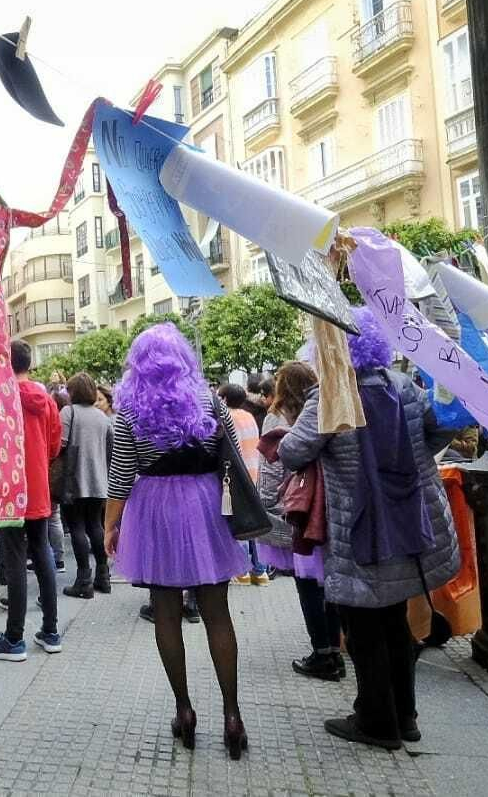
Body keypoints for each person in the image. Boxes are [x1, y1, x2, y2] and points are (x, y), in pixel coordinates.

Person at [275, 310, 459, 750]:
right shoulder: (403, 386)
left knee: (363, 627)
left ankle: (376, 722)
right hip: (407, 518)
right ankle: (406, 716)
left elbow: (293, 452)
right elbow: (435, 435)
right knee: (395, 619)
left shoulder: (332, 396)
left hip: (358, 523)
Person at [104, 324, 252, 759]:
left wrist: (111, 525)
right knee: (217, 613)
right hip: (206, 505)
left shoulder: (129, 409)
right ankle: (232, 715)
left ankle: (184, 711)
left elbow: (120, 477)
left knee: (165, 611)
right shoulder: (210, 400)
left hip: (155, 512)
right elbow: (235, 459)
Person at [0, 341, 64, 661]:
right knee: (43, 553)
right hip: (38, 485)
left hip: (8, 487)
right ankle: (51, 630)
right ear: (29, 363)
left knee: (14, 559)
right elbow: (55, 446)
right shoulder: (48, 400)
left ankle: (14, 637)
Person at [258, 361, 344, 681]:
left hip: (297, 508)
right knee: (327, 582)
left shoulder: (277, 417)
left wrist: (267, 507)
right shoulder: (326, 409)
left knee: (307, 584)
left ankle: (322, 653)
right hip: (326, 506)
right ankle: (335, 650)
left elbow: (271, 468)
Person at [60, 372, 114, 599]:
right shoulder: (102, 417)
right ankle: (103, 577)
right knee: (95, 525)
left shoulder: (68, 412)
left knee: (77, 527)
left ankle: (83, 581)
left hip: (74, 480)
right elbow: (111, 448)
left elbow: (59, 444)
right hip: (99, 481)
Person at [220, 383, 270, 587]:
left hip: (236, 476)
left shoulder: (227, 418)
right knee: (253, 524)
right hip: (254, 472)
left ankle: (242, 571)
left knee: (238, 522)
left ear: (224, 399)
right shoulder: (249, 416)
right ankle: (260, 571)